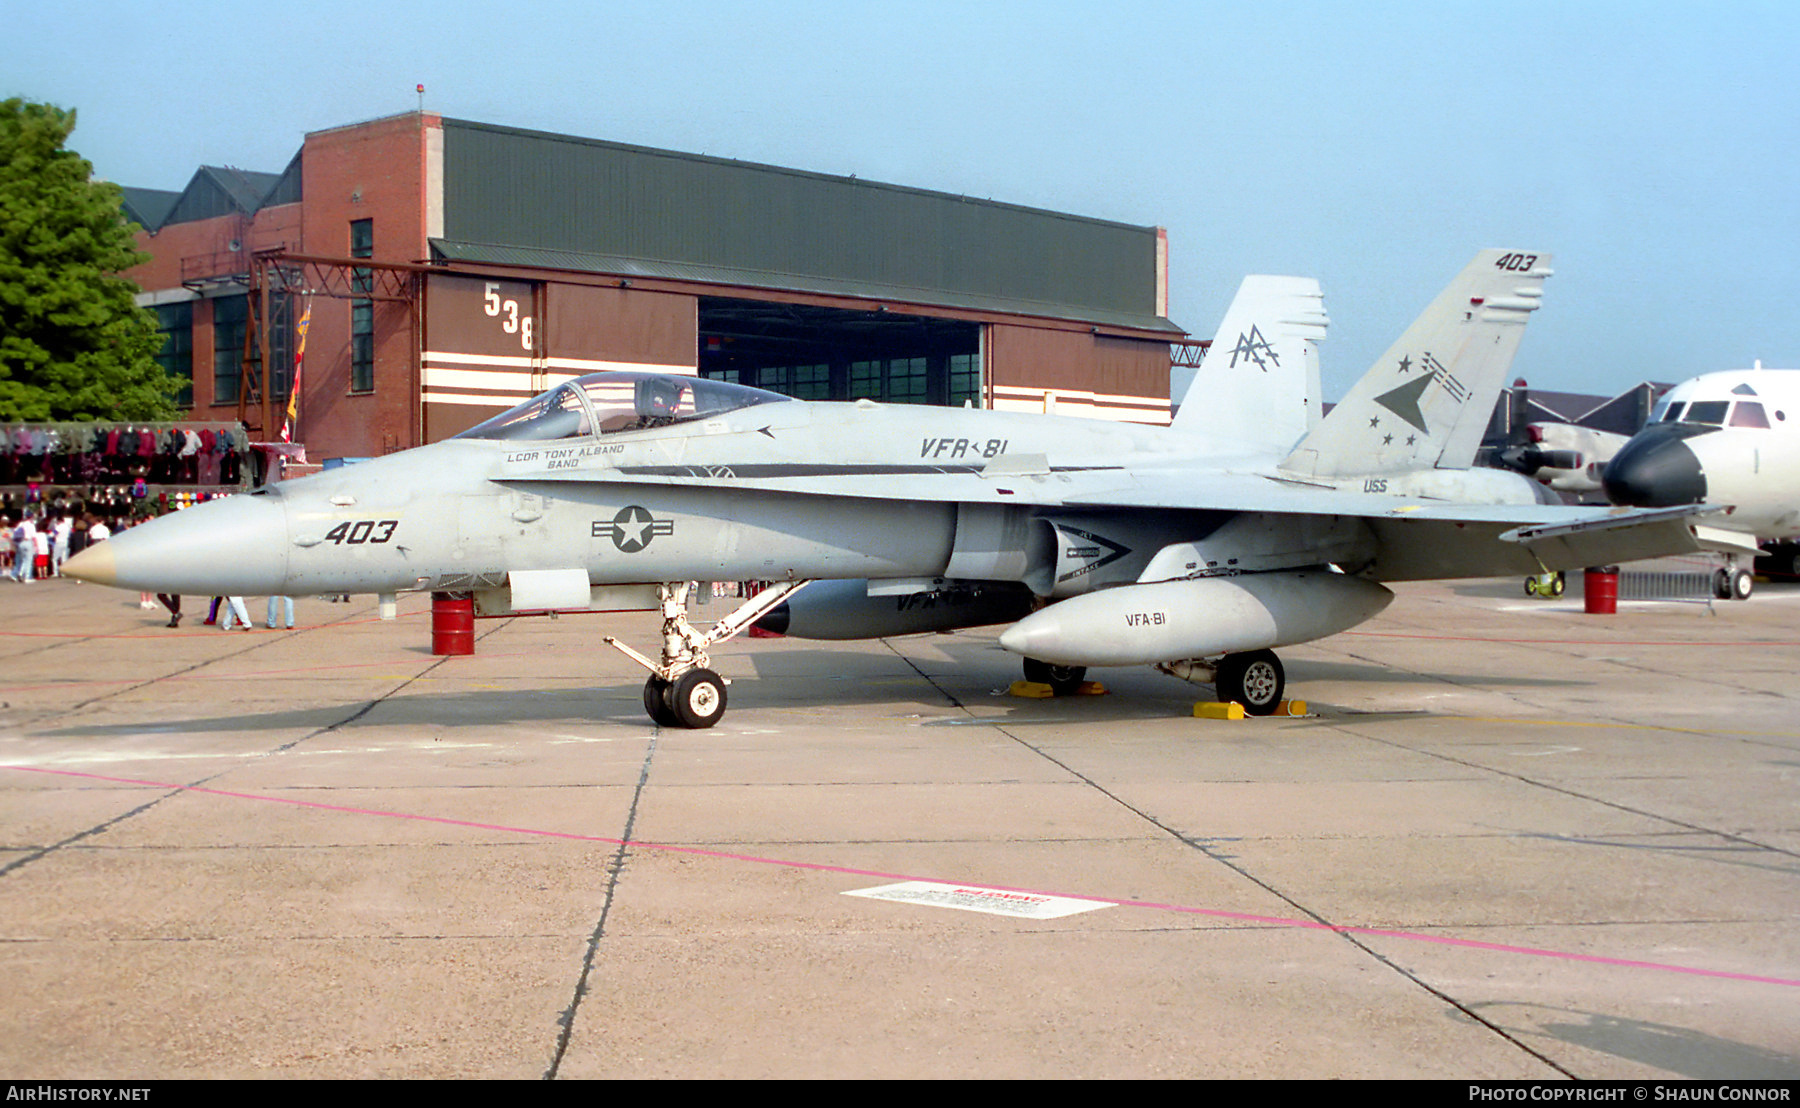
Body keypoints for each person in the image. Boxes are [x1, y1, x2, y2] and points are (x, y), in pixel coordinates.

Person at [11, 516, 36, 584]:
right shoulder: (31, 525)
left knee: (23, 560)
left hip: (20, 543)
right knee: (29, 560)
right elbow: (34, 537)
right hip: (28, 542)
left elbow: (14, 532)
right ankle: (27, 577)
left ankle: (20, 573)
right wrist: (36, 546)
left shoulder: (21, 524)